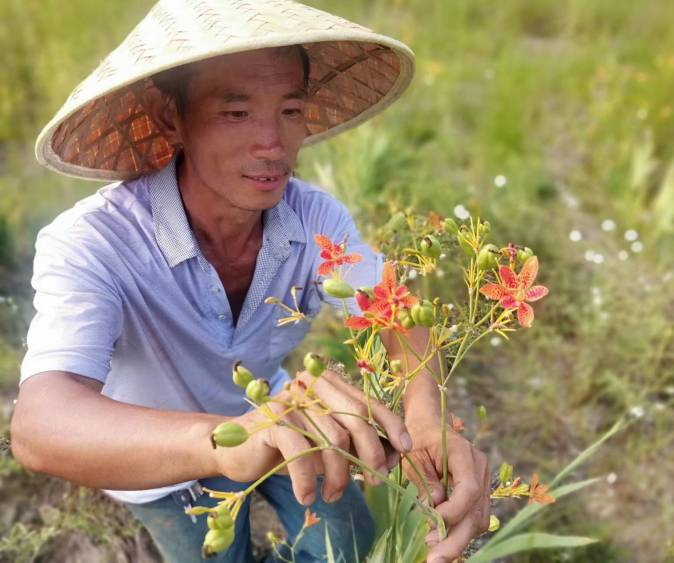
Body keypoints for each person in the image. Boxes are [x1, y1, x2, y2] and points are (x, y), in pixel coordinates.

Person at [10, 2, 489, 562]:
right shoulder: (94, 241)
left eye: (290, 109)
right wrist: (226, 442)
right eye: (236, 113)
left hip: (287, 420)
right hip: (167, 464)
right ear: (173, 119)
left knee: (350, 546)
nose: (272, 143)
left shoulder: (315, 221)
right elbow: (41, 425)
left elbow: (392, 311)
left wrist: (426, 415)